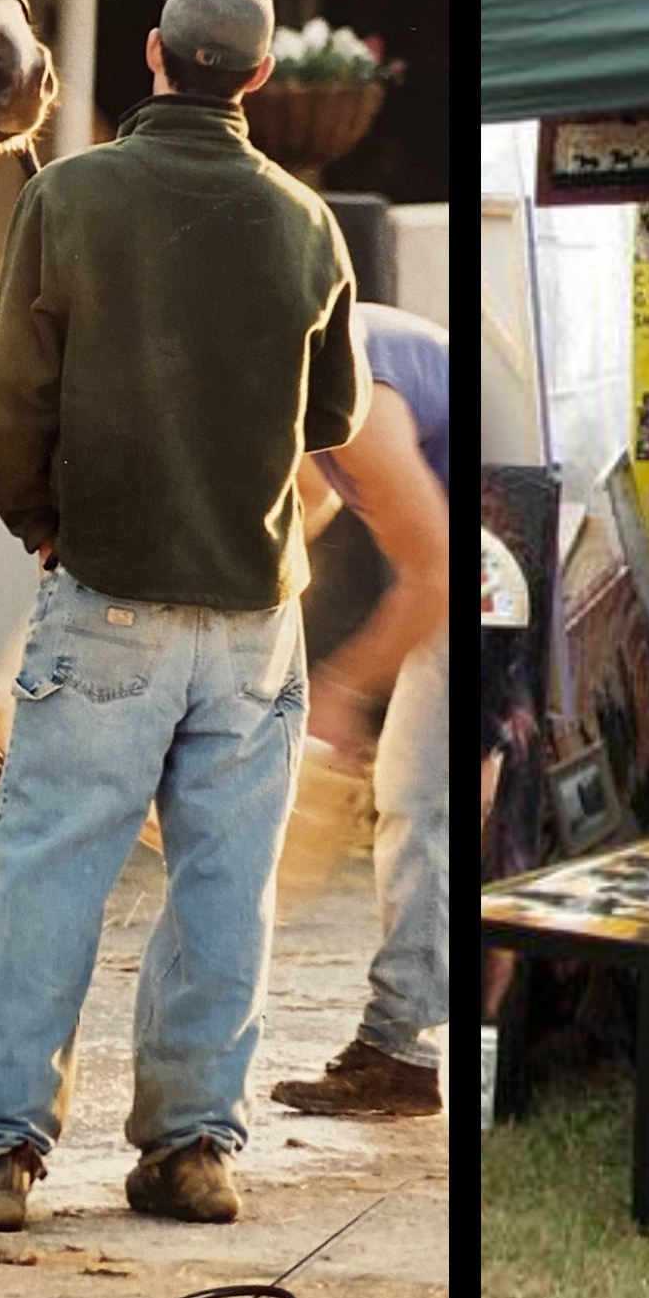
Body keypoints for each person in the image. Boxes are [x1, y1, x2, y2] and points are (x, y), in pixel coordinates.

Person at [0, 0, 366, 1231]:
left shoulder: (68, 198)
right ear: (261, 80)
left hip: (107, 594)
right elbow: (337, 415)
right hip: (255, 614)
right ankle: (191, 1149)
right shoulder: (305, 222)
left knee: (56, 870)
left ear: (155, 57)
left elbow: (17, 398)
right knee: (226, 886)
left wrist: (40, 523)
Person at [269, 302, 453, 1118]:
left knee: (417, 806)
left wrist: (343, 692)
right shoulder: (297, 371)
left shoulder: (356, 400)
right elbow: (310, 503)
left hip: (479, 574)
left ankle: (400, 1052)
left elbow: (438, 576)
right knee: (424, 810)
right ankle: (406, 1042)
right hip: (460, 563)